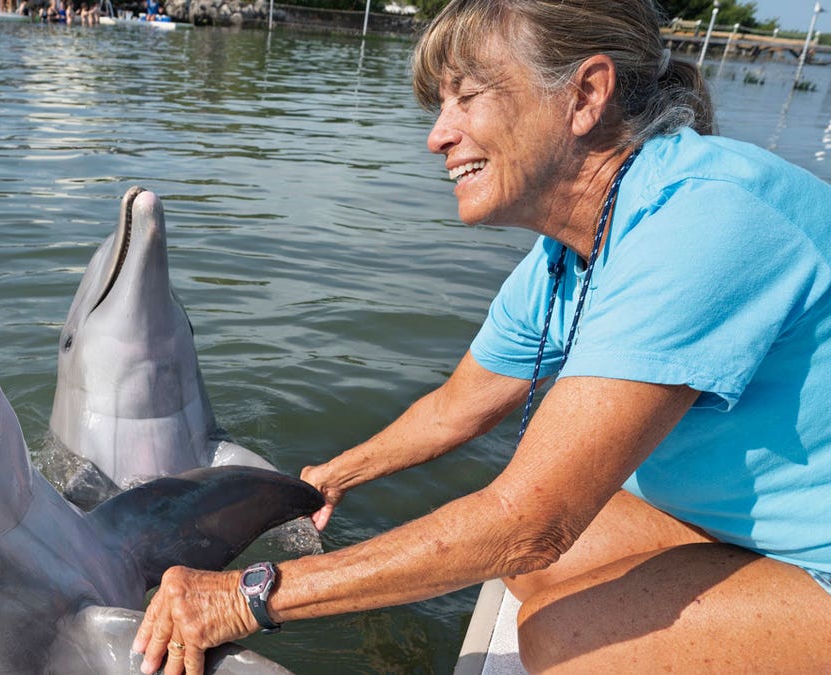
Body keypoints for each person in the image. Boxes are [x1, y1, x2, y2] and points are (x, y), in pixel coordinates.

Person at [132, 1, 831, 673]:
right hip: (755, 530)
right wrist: (333, 475)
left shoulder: (701, 223)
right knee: (539, 577)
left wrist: (246, 595)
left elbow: (530, 521)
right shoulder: (571, 252)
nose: (437, 135)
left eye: (466, 98)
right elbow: (461, 403)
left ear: (584, 95)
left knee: (563, 633)